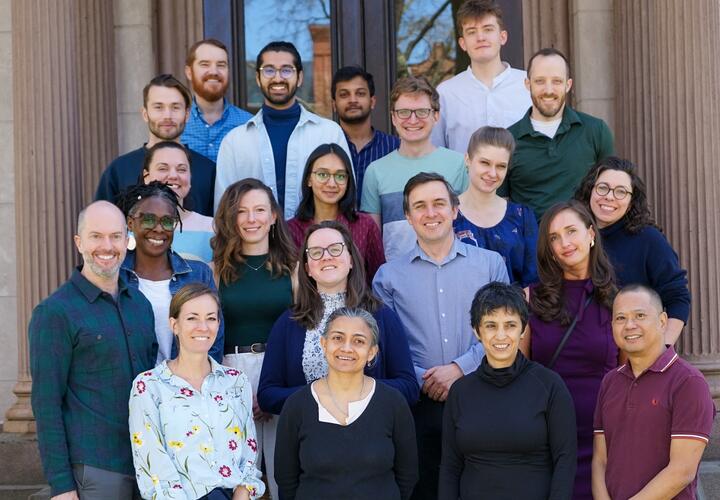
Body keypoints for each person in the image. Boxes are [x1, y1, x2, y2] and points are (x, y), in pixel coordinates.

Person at [372, 172, 509, 500]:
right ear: (408, 216)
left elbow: (505, 329)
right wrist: (423, 378)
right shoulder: (387, 277)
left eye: (438, 204)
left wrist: (460, 369)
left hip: (483, 396)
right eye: (419, 206)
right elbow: (388, 344)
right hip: (418, 407)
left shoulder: (490, 265)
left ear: (454, 210)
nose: (430, 213)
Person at [29, 201, 157, 499]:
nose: (107, 246)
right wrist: (62, 486)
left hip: (149, 465)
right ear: (79, 242)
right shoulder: (55, 312)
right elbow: (46, 405)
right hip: (95, 469)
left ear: (127, 241)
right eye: (96, 236)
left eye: (115, 236)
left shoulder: (140, 305)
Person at [257, 220, 419, 416]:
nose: (326, 257)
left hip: (370, 436)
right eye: (316, 252)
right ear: (307, 268)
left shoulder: (382, 316)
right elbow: (267, 395)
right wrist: (320, 395)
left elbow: (409, 387)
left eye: (335, 249)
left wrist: (355, 392)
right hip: (310, 438)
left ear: (351, 259)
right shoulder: (289, 322)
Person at [439, 282, 576, 500]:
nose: (501, 336)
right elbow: (450, 466)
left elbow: (565, 460)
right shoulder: (461, 392)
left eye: (510, 325)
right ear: (477, 331)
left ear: (523, 329)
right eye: (491, 325)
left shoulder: (549, 386)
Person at [129, 283, 265, 499]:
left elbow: (248, 454)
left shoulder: (236, 382)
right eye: (192, 318)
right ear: (174, 325)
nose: (203, 326)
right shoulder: (149, 386)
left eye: (211, 318)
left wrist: (243, 492)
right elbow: (151, 463)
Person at [523, 200, 618, 500]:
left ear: (591, 234)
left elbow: (629, 371)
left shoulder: (618, 301)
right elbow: (520, 369)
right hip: (547, 436)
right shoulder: (530, 298)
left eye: (571, 231)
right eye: (554, 237)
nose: (564, 243)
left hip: (604, 436)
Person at [274, 307, 418, 500]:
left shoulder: (393, 403)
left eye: (358, 341)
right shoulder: (297, 405)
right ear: (323, 344)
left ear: (372, 352)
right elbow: (286, 479)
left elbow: (407, 476)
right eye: (338, 338)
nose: (346, 348)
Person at [213, 178, 297, 500]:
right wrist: (234, 388)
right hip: (230, 374)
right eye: (242, 211)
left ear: (274, 216)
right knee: (238, 479)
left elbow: (303, 331)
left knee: (283, 472)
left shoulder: (294, 269)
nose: (251, 219)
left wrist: (274, 389)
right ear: (230, 218)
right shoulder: (216, 270)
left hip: (281, 371)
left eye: (260, 210)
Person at [592, 284, 715, 500]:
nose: (629, 325)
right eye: (620, 318)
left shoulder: (689, 382)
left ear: (662, 321)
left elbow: (682, 471)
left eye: (640, 315)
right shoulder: (610, 382)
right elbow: (600, 460)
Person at [215, 41, 349, 218]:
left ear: (300, 77)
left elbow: (346, 198)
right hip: (255, 243)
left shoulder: (329, 133)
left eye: (286, 70)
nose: (278, 78)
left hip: (317, 241)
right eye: (269, 70)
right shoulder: (234, 142)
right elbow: (223, 209)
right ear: (258, 78)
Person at [574, 156, 690, 343]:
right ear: (590, 191)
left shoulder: (648, 240)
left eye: (621, 192)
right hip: (581, 350)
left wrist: (663, 350)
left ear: (631, 202)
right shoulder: (572, 235)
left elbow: (678, 298)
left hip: (635, 353)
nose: (610, 196)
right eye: (603, 188)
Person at [499, 48, 614, 220]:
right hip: (530, 244)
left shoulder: (596, 130)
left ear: (568, 85)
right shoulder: (506, 141)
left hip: (584, 243)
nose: (548, 90)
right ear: (527, 84)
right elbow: (500, 204)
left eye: (557, 81)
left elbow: (612, 192)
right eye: (540, 81)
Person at [361, 77, 468, 260]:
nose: (412, 119)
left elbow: (468, 229)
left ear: (435, 115)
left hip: (451, 271)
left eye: (421, 112)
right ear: (393, 117)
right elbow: (372, 242)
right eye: (404, 112)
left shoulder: (458, 164)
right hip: (397, 279)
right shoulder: (375, 172)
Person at [118, 181, 224, 363]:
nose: (159, 228)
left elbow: (213, 340)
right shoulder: (116, 277)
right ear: (130, 223)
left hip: (186, 387)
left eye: (167, 221)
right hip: (132, 387)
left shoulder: (199, 275)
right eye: (148, 219)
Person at [96, 74, 217, 216]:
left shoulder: (208, 170)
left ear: (187, 114)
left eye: (175, 107)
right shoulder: (119, 170)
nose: (167, 115)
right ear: (145, 114)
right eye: (158, 107)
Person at [431, 0, 530, 154]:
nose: (480, 37)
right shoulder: (445, 94)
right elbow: (435, 153)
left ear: (502, 37)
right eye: (471, 32)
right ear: (462, 44)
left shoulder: (528, 86)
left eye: (488, 29)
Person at [288, 143, 385, 282]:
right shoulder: (290, 230)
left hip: (358, 303)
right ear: (309, 179)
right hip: (307, 303)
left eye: (340, 176)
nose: (332, 184)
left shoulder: (365, 225)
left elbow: (378, 279)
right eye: (322, 174)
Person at [454, 126, 538, 286]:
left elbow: (533, 280)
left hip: (513, 309)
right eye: (485, 163)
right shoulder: (447, 215)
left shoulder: (522, 217)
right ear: (467, 159)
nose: (492, 173)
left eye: (501, 166)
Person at [331, 65, 400, 200]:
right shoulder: (325, 147)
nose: (353, 100)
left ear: (372, 101)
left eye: (360, 93)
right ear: (334, 104)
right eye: (344, 94)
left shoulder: (395, 148)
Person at [140, 141, 214, 263]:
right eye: (163, 168)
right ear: (146, 176)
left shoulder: (212, 228)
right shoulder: (128, 228)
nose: (173, 175)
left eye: (181, 169)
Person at [181, 38, 253, 162]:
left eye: (221, 65)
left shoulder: (248, 124)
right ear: (189, 72)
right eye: (204, 64)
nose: (214, 71)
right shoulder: (176, 124)